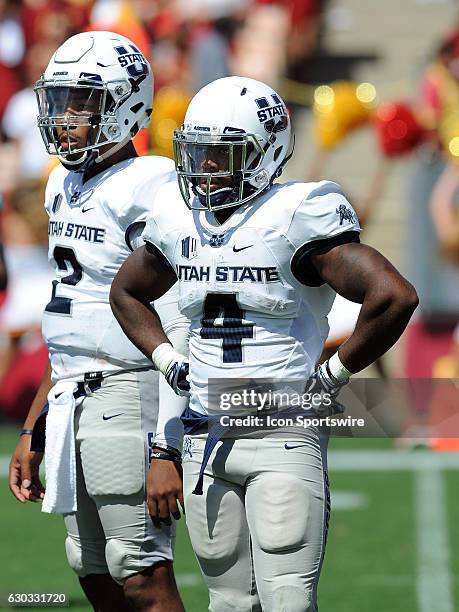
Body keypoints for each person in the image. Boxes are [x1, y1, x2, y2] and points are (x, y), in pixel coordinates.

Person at [109, 76, 419, 611]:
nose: (204, 167)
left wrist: (333, 375)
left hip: (282, 429)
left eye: (220, 154)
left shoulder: (297, 213)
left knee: (287, 601)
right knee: (227, 603)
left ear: (263, 150)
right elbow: (126, 292)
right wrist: (167, 358)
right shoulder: (177, 217)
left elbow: (393, 295)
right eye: (198, 152)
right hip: (204, 434)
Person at [8, 30, 188, 612]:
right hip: (71, 391)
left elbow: (177, 317)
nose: (66, 119)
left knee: (139, 569)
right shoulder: (63, 183)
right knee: (88, 566)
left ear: (126, 104)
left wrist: (168, 447)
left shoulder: (154, 185)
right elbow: (70, 318)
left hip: (130, 386)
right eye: (59, 103)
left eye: (82, 103)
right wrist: (33, 425)